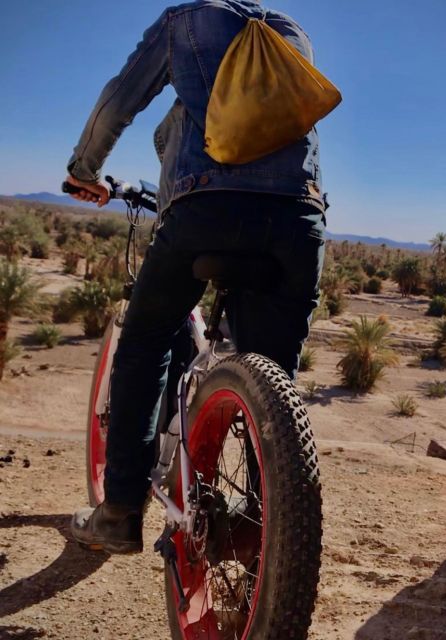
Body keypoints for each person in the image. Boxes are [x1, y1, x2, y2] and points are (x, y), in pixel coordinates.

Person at [67, 0, 327, 553]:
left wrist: (82, 169)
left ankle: (118, 513)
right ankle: (267, 524)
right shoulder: (292, 32)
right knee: (274, 373)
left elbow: (120, 100)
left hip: (204, 213)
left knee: (146, 340)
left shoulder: (185, 20)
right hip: (299, 221)